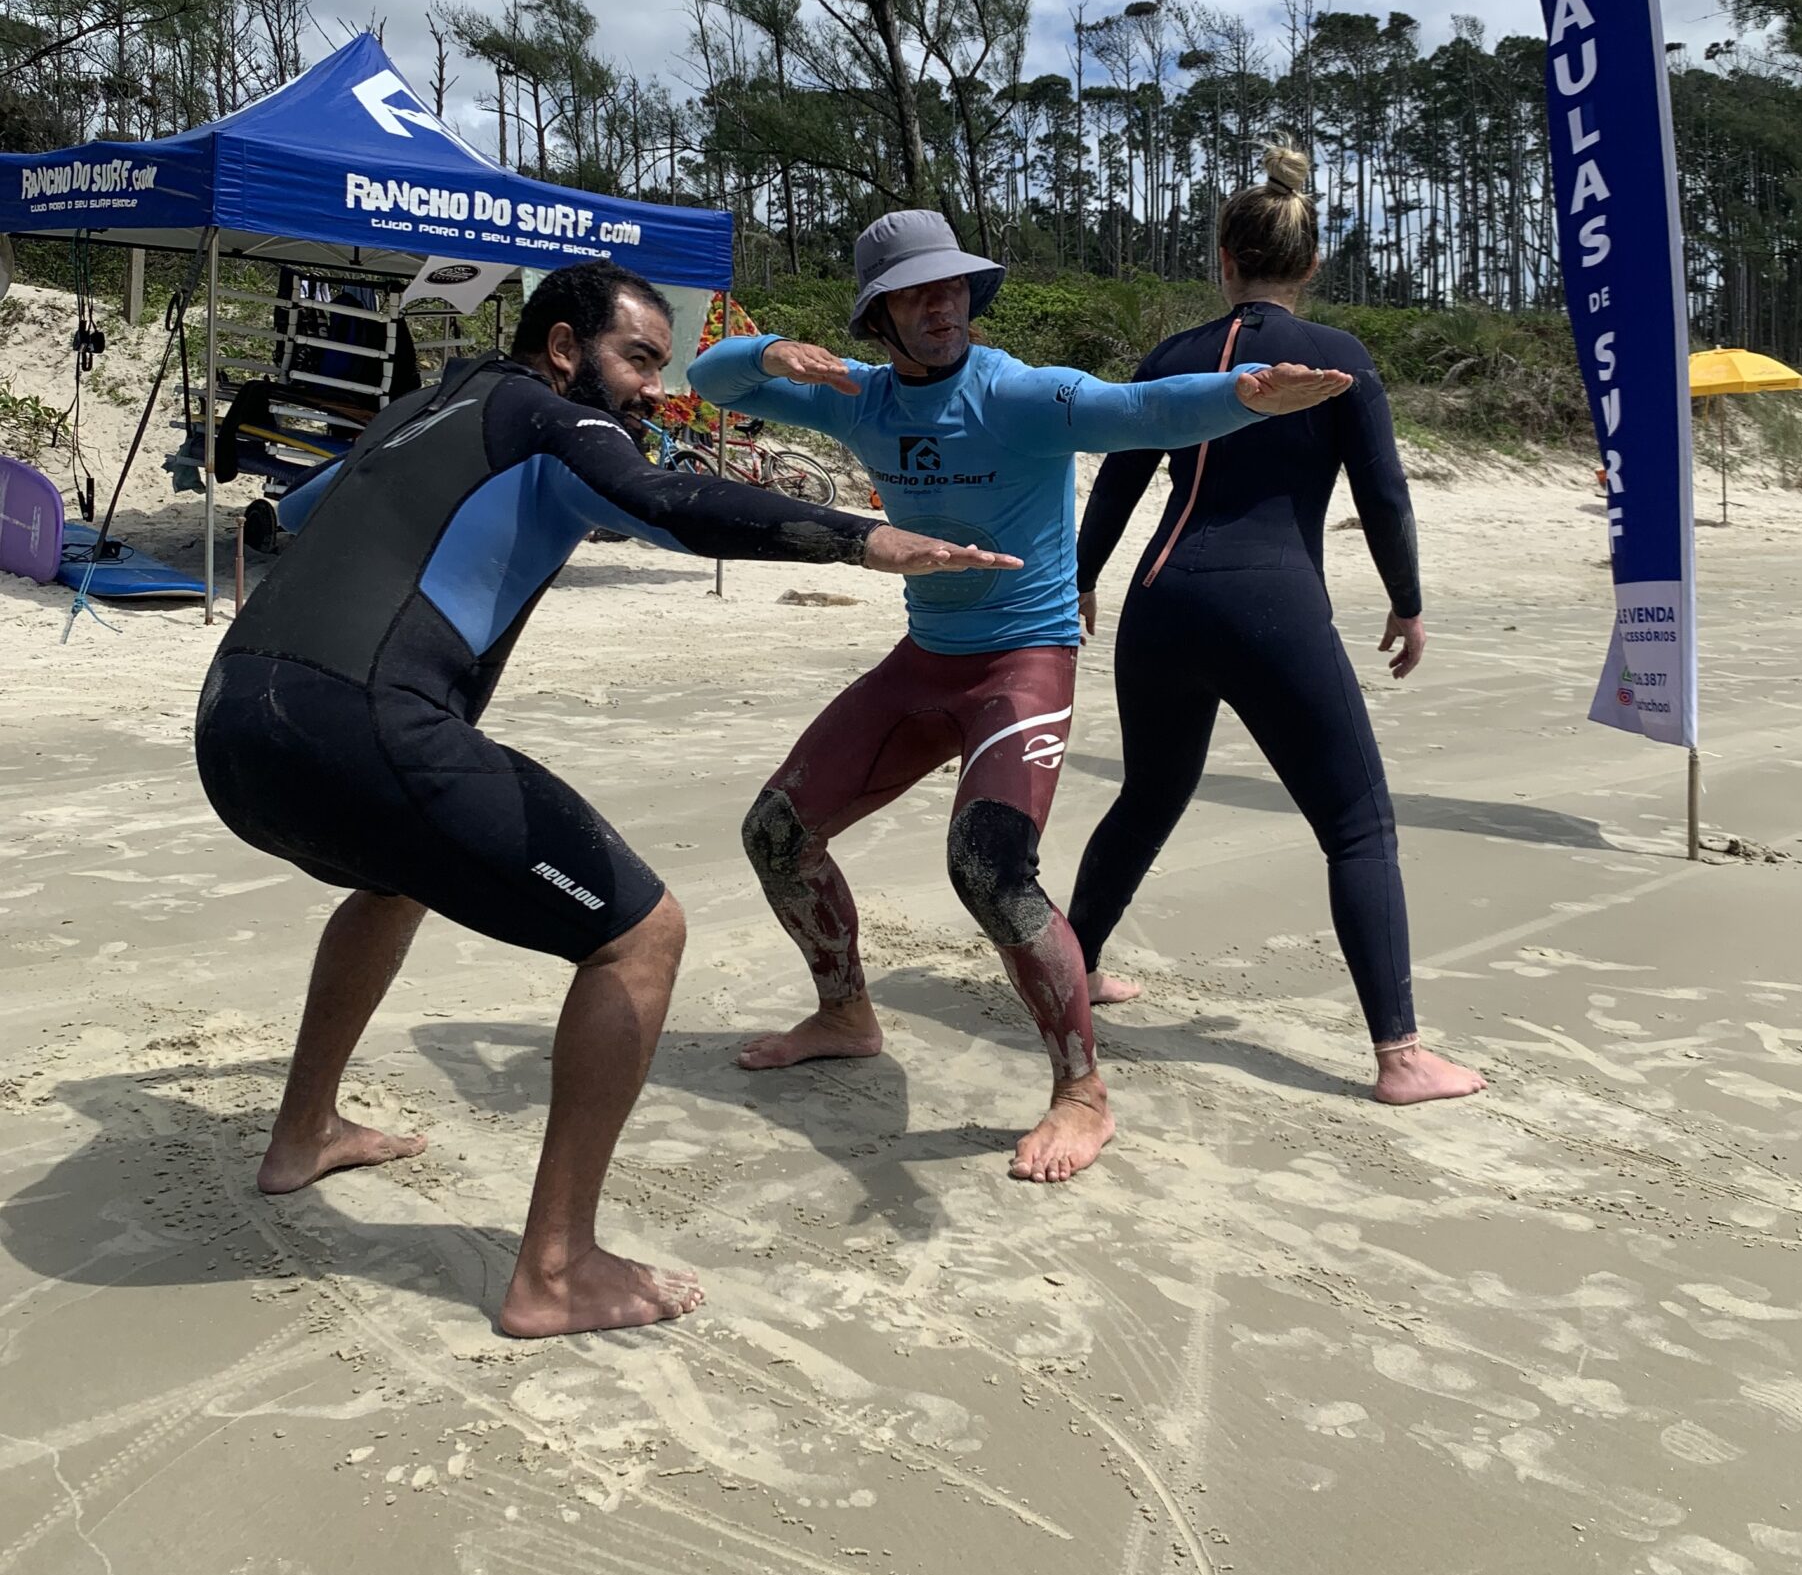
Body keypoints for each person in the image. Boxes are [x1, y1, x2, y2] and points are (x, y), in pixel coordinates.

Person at [195, 261, 1020, 1339]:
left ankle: (302, 1132)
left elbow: (303, 508)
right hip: (362, 724)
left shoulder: (426, 406)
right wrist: (865, 540)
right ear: (561, 349)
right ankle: (556, 1268)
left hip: (235, 720)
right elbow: (666, 500)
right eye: (637, 360)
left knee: (398, 875)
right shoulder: (548, 415)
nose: (652, 390)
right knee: (640, 935)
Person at [686, 210, 1353, 1183]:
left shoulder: (1020, 393)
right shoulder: (860, 399)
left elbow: (1144, 411)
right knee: (776, 835)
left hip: (1024, 663)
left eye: (952, 285)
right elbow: (707, 382)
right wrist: (765, 351)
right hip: (926, 660)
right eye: (916, 292)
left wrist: (1241, 394)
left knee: (989, 868)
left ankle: (1082, 1091)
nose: (941, 305)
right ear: (878, 314)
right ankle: (845, 1013)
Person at [1067, 144, 1484, 1108]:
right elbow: (1383, 495)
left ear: (1223, 259)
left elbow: (1120, 481)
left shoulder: (1171, 358)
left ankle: (1072, 972)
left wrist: (1080, 582)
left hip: (1161, 599)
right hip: (1273, 604)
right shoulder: (1340, 358)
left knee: (1149, 794)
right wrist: (1407, 600)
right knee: (1358, 825)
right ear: (1312, 264)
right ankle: (1401, 1057)